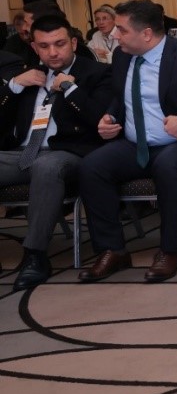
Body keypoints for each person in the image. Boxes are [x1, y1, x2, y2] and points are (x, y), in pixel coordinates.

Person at [77, 0, 177, 283]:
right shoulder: (122, 56)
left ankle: (169, 251)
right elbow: (122, 95)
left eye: (122, 30)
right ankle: (112, 250)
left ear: (147, 33)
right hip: (134, 144)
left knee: (168, 165)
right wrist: (111, 116)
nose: (115, 35)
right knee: (91, 167)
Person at [0, 15, 113, 289]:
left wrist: (68, 88)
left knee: (47, 166)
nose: (52, 52)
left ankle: (35, 255)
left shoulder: (97, 73)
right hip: (22, 152)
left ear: (73, 43)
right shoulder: (28, 75)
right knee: (40, 164)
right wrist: (13, 87)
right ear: (34, 47)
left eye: (59, 44)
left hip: (68, 152)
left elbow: (99, 120)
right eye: (44, 46)